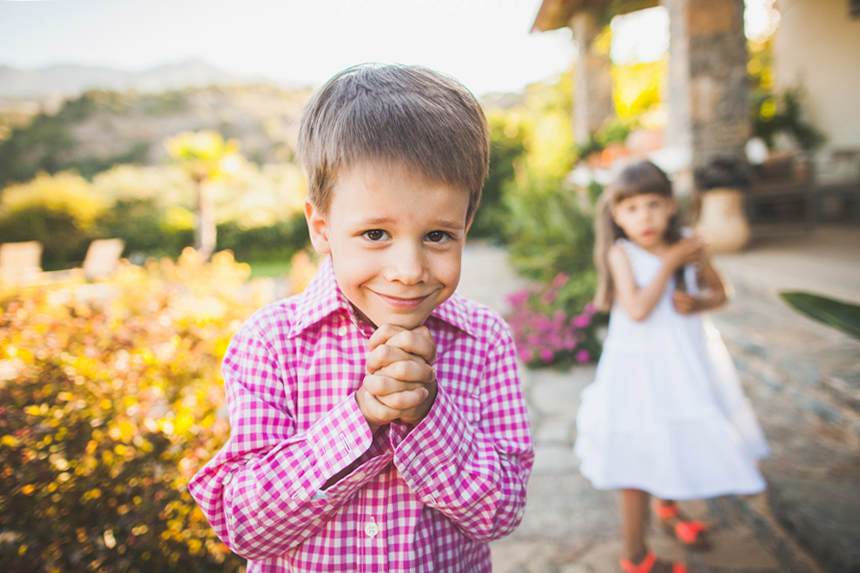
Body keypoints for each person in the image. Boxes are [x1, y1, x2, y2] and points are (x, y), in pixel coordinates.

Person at [188, 64, 534, 572]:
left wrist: (430, 415)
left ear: (466, 225)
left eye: (438, 235)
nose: (409, 271)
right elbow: (245, 525)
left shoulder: (483, 340)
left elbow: (501, 513)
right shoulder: (270, 343)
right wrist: (361, 416)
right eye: (376, 234)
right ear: (322, 227)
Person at [573, 161, 770, 573]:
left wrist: (699, 301)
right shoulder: (621, 253)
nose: (643, 217)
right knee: (638, 453)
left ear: (670, 207)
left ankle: (668, 507)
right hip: (638, 373)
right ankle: (635, 555)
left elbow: (721, 292)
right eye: (631, 209)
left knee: (673, 438)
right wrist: (669, 263)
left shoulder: (686, 245)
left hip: (684, 364)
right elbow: (639, 309)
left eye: (653, 204)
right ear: (615, 215)